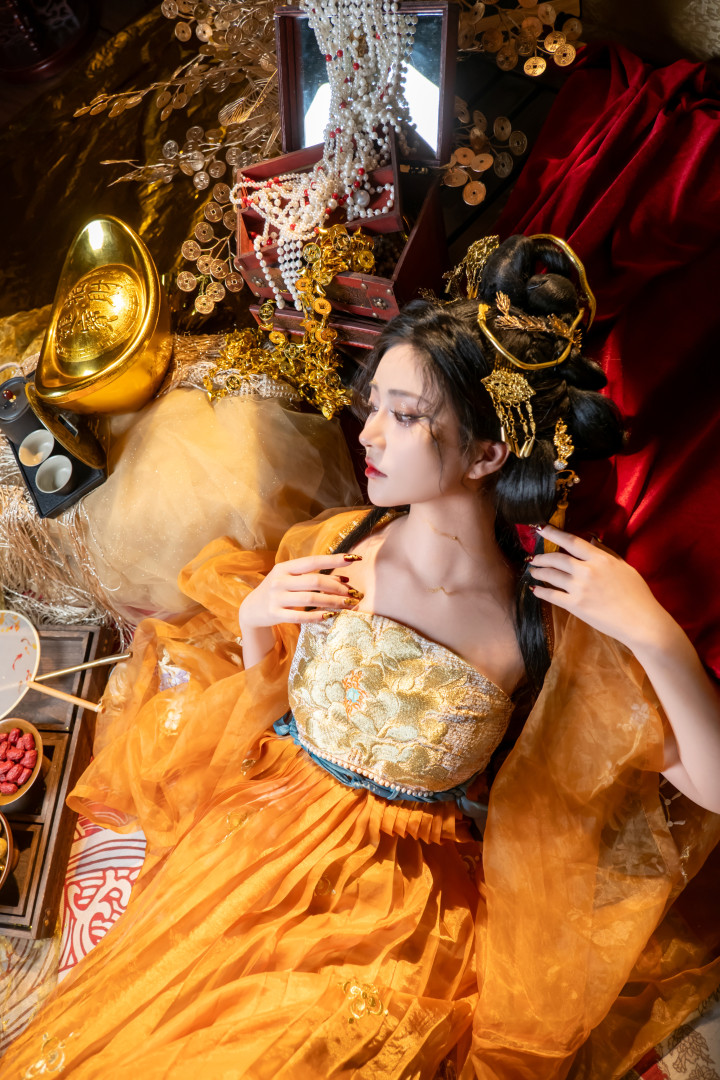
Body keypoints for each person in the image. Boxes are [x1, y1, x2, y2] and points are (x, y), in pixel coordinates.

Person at [4, 235, 719, 1080]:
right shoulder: (339, 543)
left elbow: (708, 783)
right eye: (374, 403)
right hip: (254, 841)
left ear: (487, 453)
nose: (369, 433)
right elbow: (264, 708)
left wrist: (651, 630)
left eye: (405, 417)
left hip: (393, 908)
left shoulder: (545, 618)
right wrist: (259, 622)